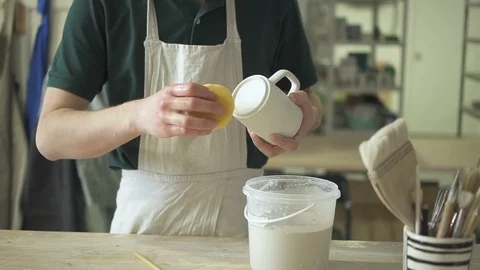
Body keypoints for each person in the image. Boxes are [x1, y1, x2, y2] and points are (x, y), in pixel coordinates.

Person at [36, 0, 323, 237]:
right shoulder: (103, 5)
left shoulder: (273, 5)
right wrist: (139, 116)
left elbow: (309, 100)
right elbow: (51, 135)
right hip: (143, 229)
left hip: (243, 224)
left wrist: (305, 115)